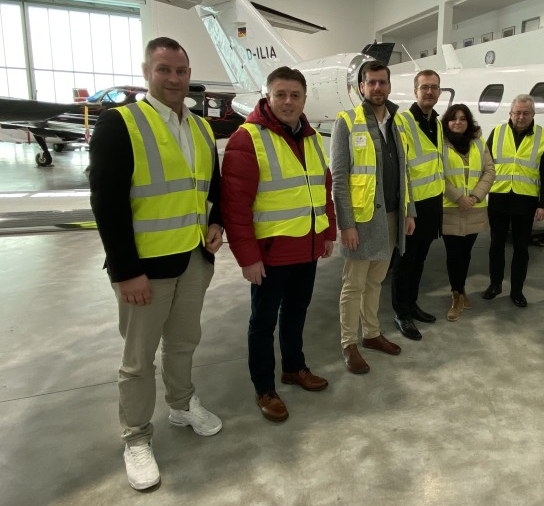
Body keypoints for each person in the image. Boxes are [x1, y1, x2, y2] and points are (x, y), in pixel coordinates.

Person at [88, 37, 223, 491]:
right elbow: (106, 203)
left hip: (193, 259)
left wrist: (217, 222)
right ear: (147, 71)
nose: (173, 79)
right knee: (138, 359)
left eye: (180, 71)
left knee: (184, 342)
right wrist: (125, 272)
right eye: (163, 70)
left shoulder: (201, 127)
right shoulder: (120, 123)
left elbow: (210, 185)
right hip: (145, 268)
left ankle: (182, 406)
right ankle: (136, 437)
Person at [221, 66, 335, 423]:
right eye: (280, 95)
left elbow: (323, 188)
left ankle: (294, 367)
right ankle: (264, 388)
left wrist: (327, 232)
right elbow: (235, 207)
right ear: (268, 97)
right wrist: (247, 258)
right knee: (262, 323)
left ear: (304, 99)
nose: (288, 102)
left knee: (297, 311)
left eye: (295, 95)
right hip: (269, 255)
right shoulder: (247, 138)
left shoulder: (312, 137)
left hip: (307, 247)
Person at [330, 60, 415, 374]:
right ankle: (349, 343)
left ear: (389, 86)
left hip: (392, 216)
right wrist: (346, 224)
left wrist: (410, 212)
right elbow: (339, 178)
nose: (377, 88)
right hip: (363, 221)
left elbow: (404, 171)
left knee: (376, 281)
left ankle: (372, 334)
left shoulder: (396, 121)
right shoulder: (347, 122)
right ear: (361, 87)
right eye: (371, 82)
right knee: (353, 285)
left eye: (382, 82)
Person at [482, 94, 544, 307]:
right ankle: (495, 285)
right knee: (496, 245)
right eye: (517, 113)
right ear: (510, 113)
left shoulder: (543, 136)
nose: (521, 117)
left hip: (526, 200)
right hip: (498, 197)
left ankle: (517, 291)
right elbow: (486, 165)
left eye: (526, 113)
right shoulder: (497, 132)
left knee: (521, 248)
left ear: (533, 114)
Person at [391, 69, 445, 340]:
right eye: (425, 87)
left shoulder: (436, 121)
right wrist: (408, 211)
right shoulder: (403, 122)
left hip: (432, 203)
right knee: (405, 261)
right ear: (415, 91)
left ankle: (412, 304)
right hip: (413, 207)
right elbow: (402, 171)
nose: (430, 92)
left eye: (435, 87)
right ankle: (401, 313)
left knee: (420, 260)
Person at [440, 104, 495, 321]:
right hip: (450, 207)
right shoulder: (440, 144)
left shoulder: (479, 143)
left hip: (474, 208)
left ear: (468, 122)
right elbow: (437, 173)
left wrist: (474, 197)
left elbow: (489, 171)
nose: (458, 122)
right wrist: (458, 197)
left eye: (463, 119)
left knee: (466, 253)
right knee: (454, 254)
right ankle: (456, 293)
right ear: (447, 122)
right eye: (453, 119)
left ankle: (461, 291)